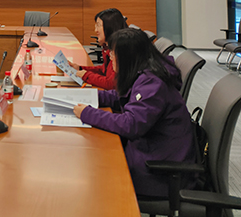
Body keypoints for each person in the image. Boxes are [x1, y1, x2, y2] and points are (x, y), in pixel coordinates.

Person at [72, 27, 196, 198]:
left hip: (159, 172)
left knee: (91, 177)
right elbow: (122, 97)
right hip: (150, 153)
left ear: (127, 56)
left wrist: (88, 113)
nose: (110, 57)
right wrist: (88, 97)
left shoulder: (153, 84)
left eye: (113, 53)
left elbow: (130, 125)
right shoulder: (145, 74)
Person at [68, 8, 128, 89]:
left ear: (109, 27)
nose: (95, 30)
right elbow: (104, 70)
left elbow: (110, 84)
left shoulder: (120, 50)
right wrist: (80, 68)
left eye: (98, 25)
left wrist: (86, 75)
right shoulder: (108, 48)